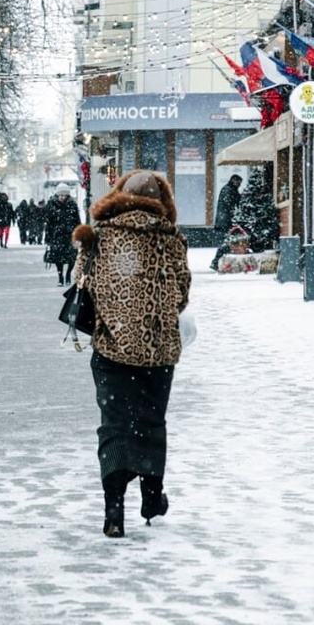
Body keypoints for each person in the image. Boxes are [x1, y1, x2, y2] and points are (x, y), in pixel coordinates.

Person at [72, 169, 191, 539]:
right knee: (151, 422)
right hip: (159, 353)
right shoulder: (171, 239)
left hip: (112, 349)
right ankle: (151, 498)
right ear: (162, 200)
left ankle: (113, 509)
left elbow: (81, 282)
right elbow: (182, 292)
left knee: (115, 424)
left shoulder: (100, 235)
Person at [44, 183, 80, 285]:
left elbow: (77, 220)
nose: (63, 197)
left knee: (72, 257)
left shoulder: (72, 205)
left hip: (70, 235)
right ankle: (60, 277)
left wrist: (79, 233)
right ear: (57, 195)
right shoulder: (51, 205)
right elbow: (49, 223)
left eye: (65, 195)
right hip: (57, 236)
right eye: (61, 195)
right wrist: (48, 237)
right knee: (58, 258)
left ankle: (68, 274)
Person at [209, 174, 243, 271]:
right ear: (233, 180)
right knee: (225, 243)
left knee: (226, 243)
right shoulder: (228, 190)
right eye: (238, 182)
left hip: (223, 221)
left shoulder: (228, 189)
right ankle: (215, 262)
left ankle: (216, 262)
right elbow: (231, 204)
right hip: (225, 222)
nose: (239, 184)